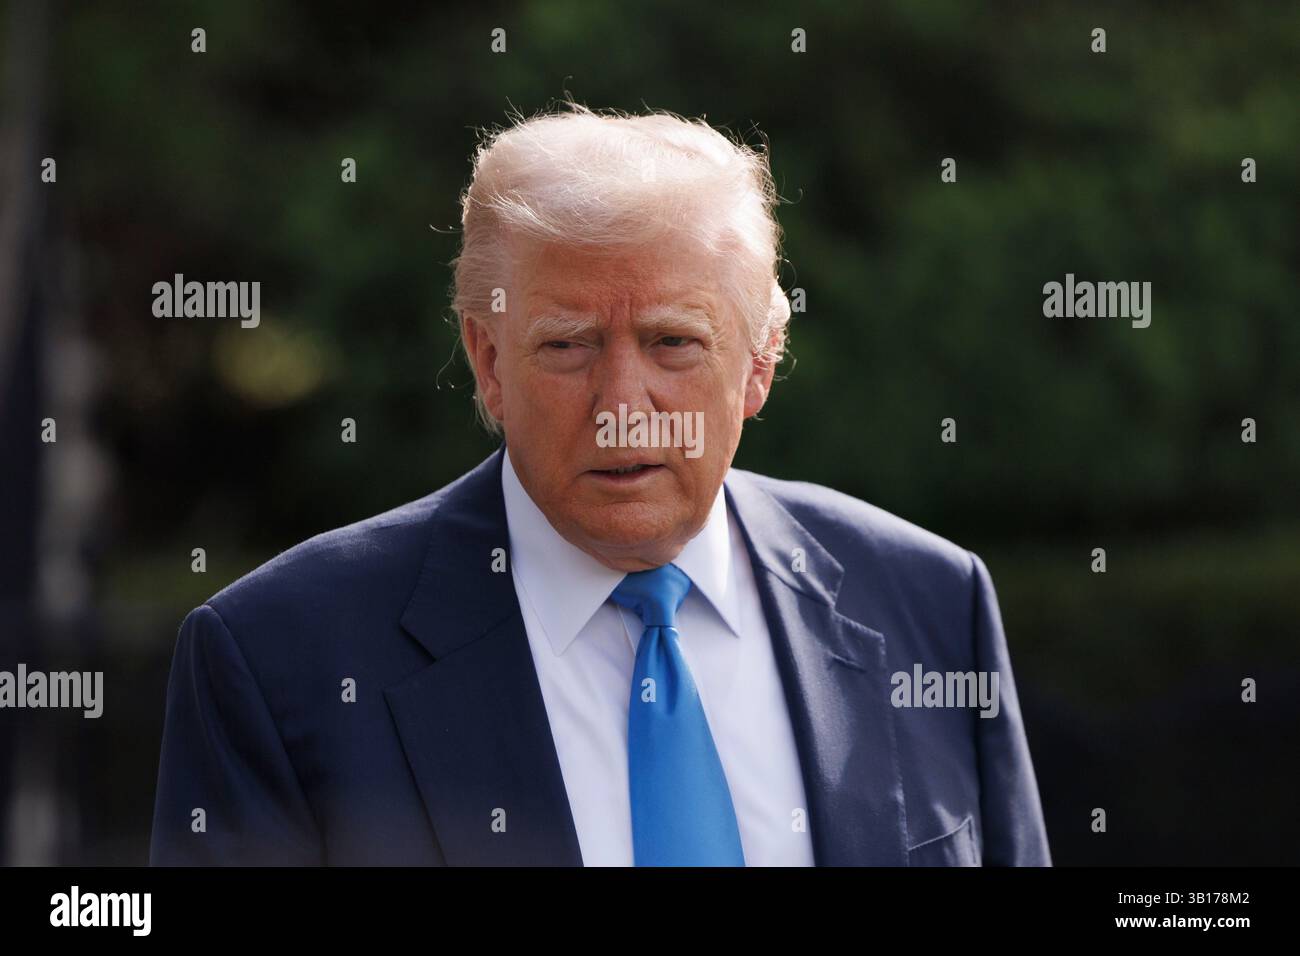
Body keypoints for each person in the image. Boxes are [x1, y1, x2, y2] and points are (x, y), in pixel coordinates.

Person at [150, 103, 1050, 866]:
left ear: (760, 364)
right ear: (489, 361)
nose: (624, 404)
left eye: (674, 343)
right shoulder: (278, 663)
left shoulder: (931, 603)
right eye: (568, 345)